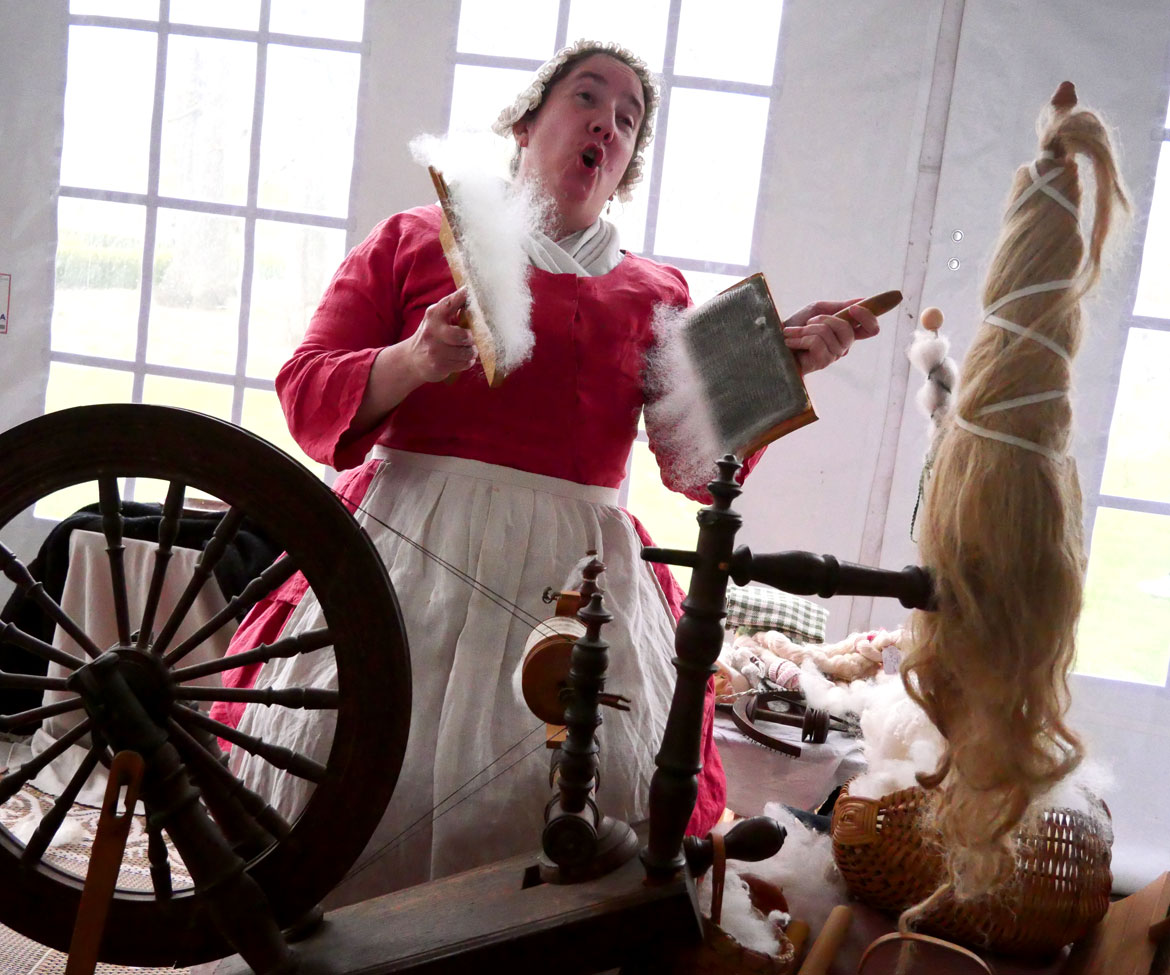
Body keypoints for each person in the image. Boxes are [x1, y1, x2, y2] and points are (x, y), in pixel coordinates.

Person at [212, 38, 879, 907]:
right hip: (411, 544)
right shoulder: (417, 238)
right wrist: (414, 359)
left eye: (629, 119)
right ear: (527, 123)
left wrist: (778, 373)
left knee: (571, 794)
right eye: (587, 98)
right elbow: (307, 393)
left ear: (626, 165)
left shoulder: (655, 292)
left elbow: (688, 465)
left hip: (579, 576)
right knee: (368, 764)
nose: (609, 121)